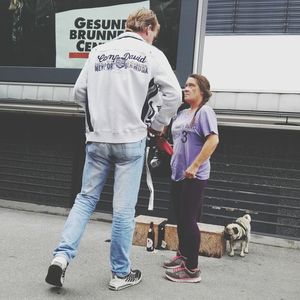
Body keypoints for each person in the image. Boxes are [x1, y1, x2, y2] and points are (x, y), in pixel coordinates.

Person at [45, 8, 182, 291]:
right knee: (122, 209)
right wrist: (157, 125)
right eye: (153, 35)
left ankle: (60, 258)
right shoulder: (151, 55)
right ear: (147, 29)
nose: (153, 40)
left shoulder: (99, 51)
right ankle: (120, 273)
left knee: (84, 200)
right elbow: (174, 95)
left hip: (97, 138)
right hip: (130, 140)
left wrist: (98, 117)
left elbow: (78, 93)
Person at [163, 74, 219, 283]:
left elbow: (213, 140)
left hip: (194, 175)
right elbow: (177, 144)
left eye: (191, 86)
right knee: (181, 219)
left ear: (202, 91)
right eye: (185, 85)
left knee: (189, 219)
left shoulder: (205, 112)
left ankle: (192, 269)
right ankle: (183, 256)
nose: (186, 88)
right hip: (178, 174)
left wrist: (195, 165)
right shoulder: (183, 113)